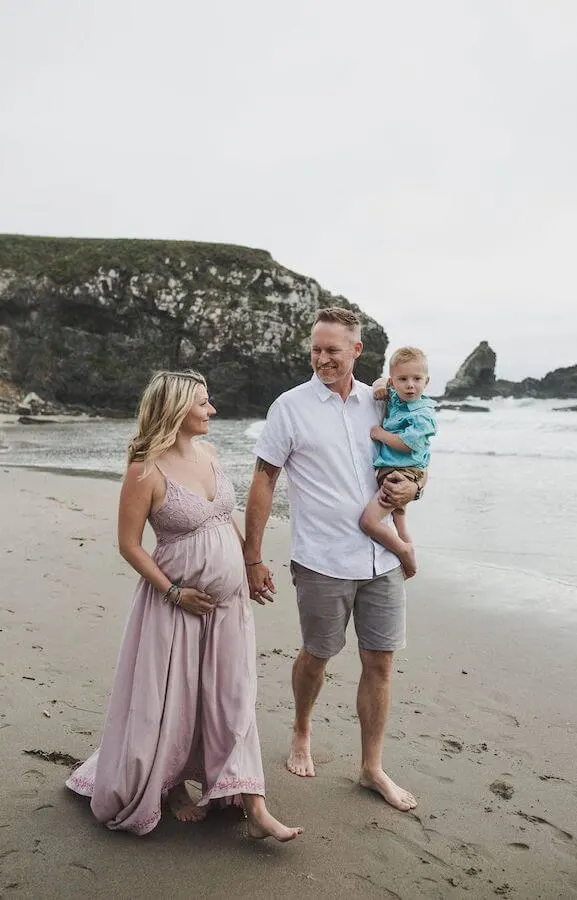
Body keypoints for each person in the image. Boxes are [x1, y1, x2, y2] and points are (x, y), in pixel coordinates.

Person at [66, 370, 302, 842]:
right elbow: (129, 545)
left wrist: (249, 563)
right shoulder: (145, 470)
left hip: (228, 605)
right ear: (176, 408)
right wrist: (174, 591)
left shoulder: (210, 453)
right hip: (175, 606)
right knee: (174, 701)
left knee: (232, 697)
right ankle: (169, 785)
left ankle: (251, 802)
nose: (212, 410)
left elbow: (223, 518)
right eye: (203, 403)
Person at [244, 308, 422, 812]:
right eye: (316, 350)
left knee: (381, 663)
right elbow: (263, 479)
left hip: (382, 556)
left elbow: (409, 463)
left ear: (356, 352)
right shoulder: (290, 407)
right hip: (322, 558)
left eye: (332, 351)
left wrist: (416, 487)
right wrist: (252, 556)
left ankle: (371, 768)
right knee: (318, 654)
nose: (322, 359)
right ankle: (302, 728)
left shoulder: (381, 402)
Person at [359, 347, 437, 579]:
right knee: (399, 519)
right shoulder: (396, 396)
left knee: (369, 521)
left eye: (417, 379)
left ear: (427, 381)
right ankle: (407, 550)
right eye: (403, 379)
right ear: (395, 381)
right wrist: (382, 386)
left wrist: (380, 434)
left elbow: (407, 444)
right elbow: (379, 381)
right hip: (393, 469)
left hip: (402, 473)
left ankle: (404, 552)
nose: (410, 385)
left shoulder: (422, 414)